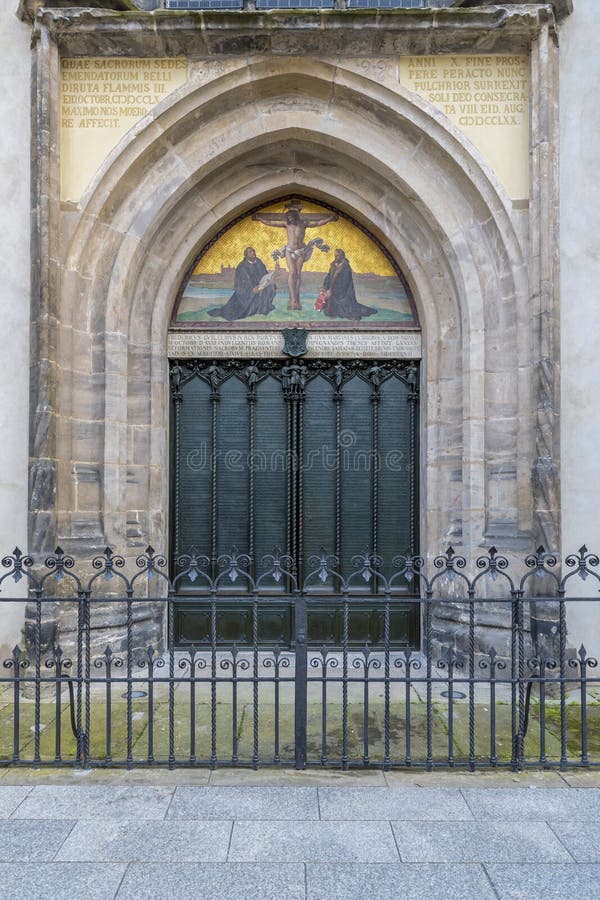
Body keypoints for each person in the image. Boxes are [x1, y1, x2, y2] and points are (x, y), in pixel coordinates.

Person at [253, 203, 338, 310]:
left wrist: (329, 218)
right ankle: (293, 298)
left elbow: (318, 222)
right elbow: (270, 222)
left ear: (296, 216)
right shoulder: (286, 224)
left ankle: (296, 298)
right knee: (292, 272)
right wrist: (260, 218)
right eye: (289, 217)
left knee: (298, 274)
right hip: (289, 250)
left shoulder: (303, 223)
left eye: (292, 217)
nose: (290, 219)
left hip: (301, 251)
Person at [207, 247, 277, 321]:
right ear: (246, 255)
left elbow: (265, 275)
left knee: (272, 286)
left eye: (253, 251)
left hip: (261, 286)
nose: (253, 253)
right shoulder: (242, 267)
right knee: (236, 311)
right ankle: (254, 309)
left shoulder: (259, 263)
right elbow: (240, 284)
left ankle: (264, 307)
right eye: (250, 252)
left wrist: (269, 280)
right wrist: (252, 290)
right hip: (247, 292)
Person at [321, 249, 377, 320]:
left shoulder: (346, 268)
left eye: (337, 256)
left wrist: (332, 291)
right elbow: (328, 276)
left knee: (346, 312)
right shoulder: (333, 266)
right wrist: (325, 286)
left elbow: (344, 283)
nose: (335, 258)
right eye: (335, 256)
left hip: (344, 294)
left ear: (342, 256)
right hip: (332, 291)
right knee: (328, 311)